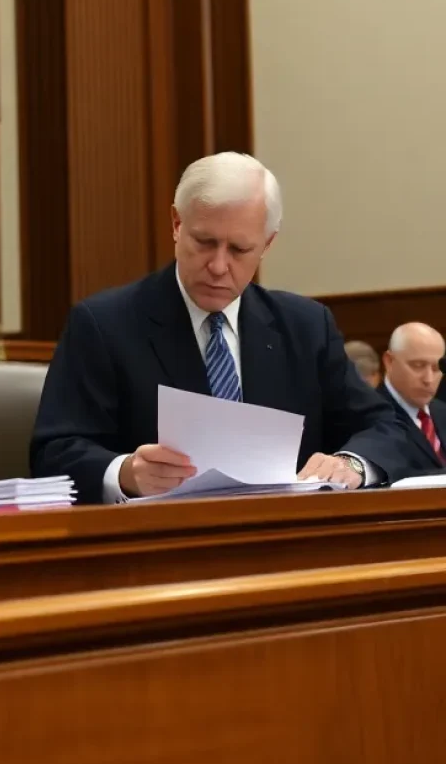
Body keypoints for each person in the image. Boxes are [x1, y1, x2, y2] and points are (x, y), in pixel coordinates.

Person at [31, 152, 420, 502]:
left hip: (288, 546)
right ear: (176, 224)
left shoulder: (305, 326)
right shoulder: (103, 324)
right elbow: (55, 451)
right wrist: (125, 472)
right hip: (157, 553)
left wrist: (351, 465)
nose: (218, 266)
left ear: (267, 244)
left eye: (239, 249)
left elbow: (387, 427)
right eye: (204, 242)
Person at [378, 322, 446, 470]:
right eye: (418, 365)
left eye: (436, 368)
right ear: (389, 361)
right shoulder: (370, 416)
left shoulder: (442, 412)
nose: (428, 379)